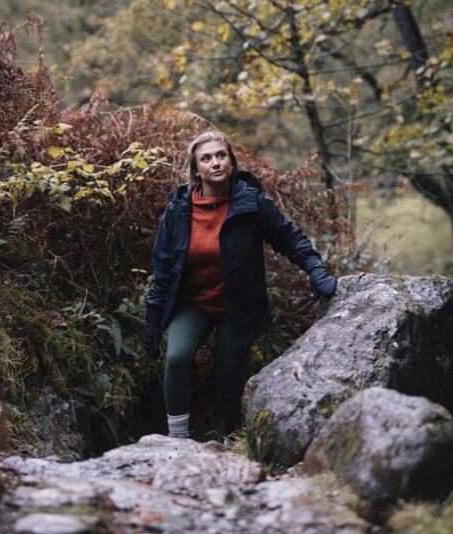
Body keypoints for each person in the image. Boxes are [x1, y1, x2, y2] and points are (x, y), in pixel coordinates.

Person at [143, 131, 337, 439]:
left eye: (221, 155)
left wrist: (315, 269)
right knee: (177, 358)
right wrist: (153, 321)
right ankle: (176, 439)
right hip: (193, 303)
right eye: (206, 158)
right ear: (196, 169)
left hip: (237, 307)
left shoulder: (252, 203)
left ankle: (234, 443)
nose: (215, 162)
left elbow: (290, 238)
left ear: (232, 163)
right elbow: (163, 267)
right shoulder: (179, 209)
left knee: (229, 380)